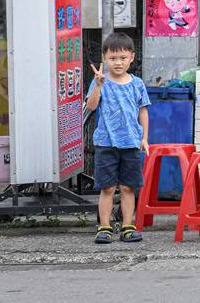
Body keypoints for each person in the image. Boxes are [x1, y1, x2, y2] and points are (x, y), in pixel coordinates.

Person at [86, 33, 151, 245]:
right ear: (104, 58)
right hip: (106, 143)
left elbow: (143, 111)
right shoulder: (100, 82)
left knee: (128, 187)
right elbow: (91, 106)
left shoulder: (137, 83)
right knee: (107, 188)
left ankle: (127, 227)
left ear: (132, 57)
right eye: (113, 58)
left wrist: (144, 138)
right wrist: (98, 85)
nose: (118, 62)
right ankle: (104, 228)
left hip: (131, 143)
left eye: (123, 57)